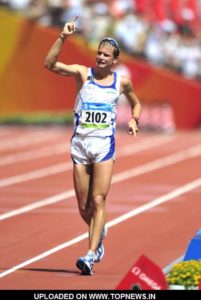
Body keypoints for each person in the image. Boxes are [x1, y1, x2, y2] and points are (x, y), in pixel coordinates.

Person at [44, 17, 142, 275]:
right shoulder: (81, 72)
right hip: (79, 146)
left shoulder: (121, 82)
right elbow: (49, 64)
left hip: (103, 148)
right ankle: (100, 231)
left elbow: (136, 102)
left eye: (105, 55)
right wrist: (63, 37)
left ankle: (91, 253)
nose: (99, 57)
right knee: (83, 207)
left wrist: (134, 118)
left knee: (98, 200)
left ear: (115, 60)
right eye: (98, 53)